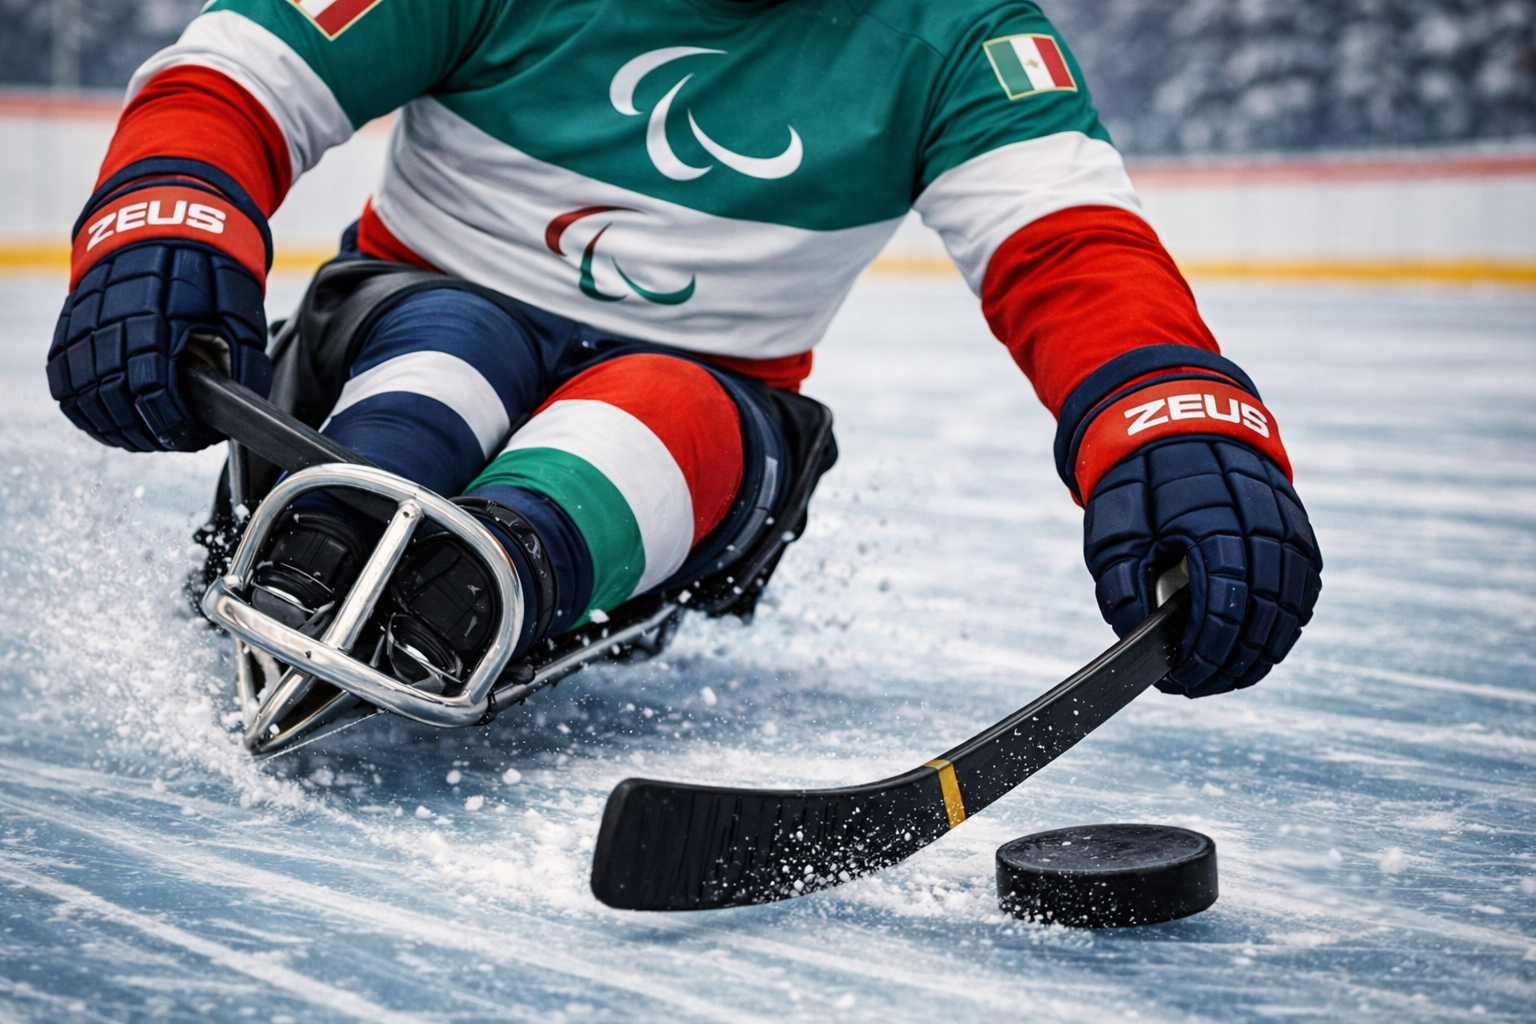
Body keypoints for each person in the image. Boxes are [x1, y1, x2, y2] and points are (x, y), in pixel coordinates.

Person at [46, 0, 1321, 698]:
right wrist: (170, 215)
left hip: (705, 411)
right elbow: (243, 72)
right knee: (452, 345)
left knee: (654, 404)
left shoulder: (957, 35)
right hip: (418, 306)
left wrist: (1179, 424)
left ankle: (472, 557)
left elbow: (1072, 249)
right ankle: (373, 508)